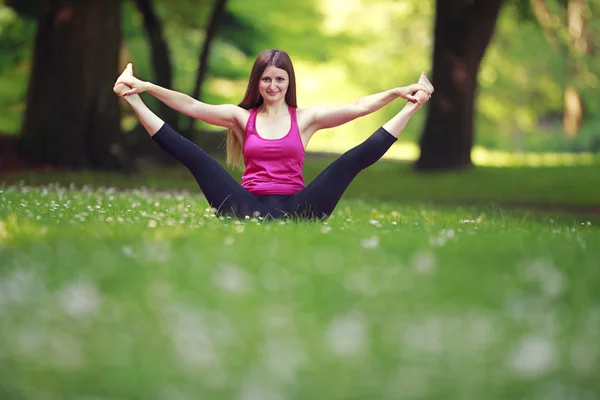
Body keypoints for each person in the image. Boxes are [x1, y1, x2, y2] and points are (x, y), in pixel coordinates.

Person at [113, 49, 434, 220]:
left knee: (349, 161)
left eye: (280, 79)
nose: (273, 86)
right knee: (196, 157)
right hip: (245, 205)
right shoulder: (241, 118)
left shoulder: (306, 119)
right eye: (266, 79)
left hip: (301, 208)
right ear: (258, 82)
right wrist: (145, 87)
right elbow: (192, 105)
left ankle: (413, 109)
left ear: (289, 82)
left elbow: (359, 106)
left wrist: (398, 94)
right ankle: (131, 100)